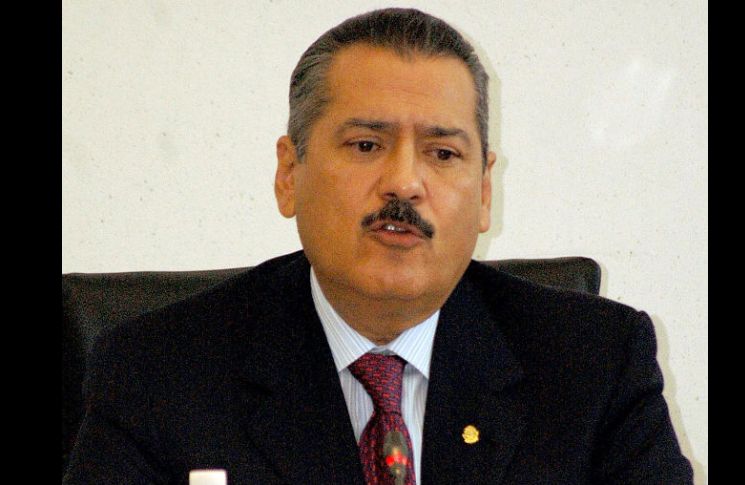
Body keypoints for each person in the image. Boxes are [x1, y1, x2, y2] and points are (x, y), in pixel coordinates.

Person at [63, 8, 693, 484]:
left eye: (442, 153)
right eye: (366, 145)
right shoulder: (155, 374)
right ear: (289, 173)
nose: (404, 182)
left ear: (483, 193)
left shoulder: (596, 365)